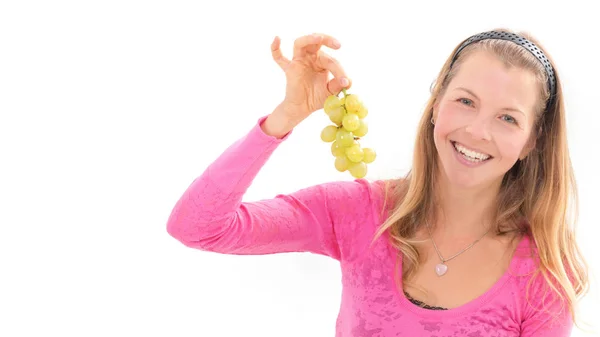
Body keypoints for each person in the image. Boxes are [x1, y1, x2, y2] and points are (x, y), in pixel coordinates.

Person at [165, 28, 590, 336]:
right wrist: (286, 116)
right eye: (465, 102)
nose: (478, 131)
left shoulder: (544, 272)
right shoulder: (358, 212)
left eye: (507, 118)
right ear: (437, 103)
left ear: (532, 141)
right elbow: (198, 227)